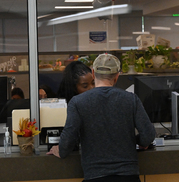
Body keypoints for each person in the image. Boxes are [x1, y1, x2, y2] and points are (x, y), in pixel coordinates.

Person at [47, 53, 156, 182]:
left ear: (93, 73)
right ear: (117, 76)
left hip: (95, 176)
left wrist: (59, 149)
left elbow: (67, 141)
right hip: (129, 176)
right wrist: (138, 141)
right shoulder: (131, 99)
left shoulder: (77, 102)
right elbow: (148, 135)